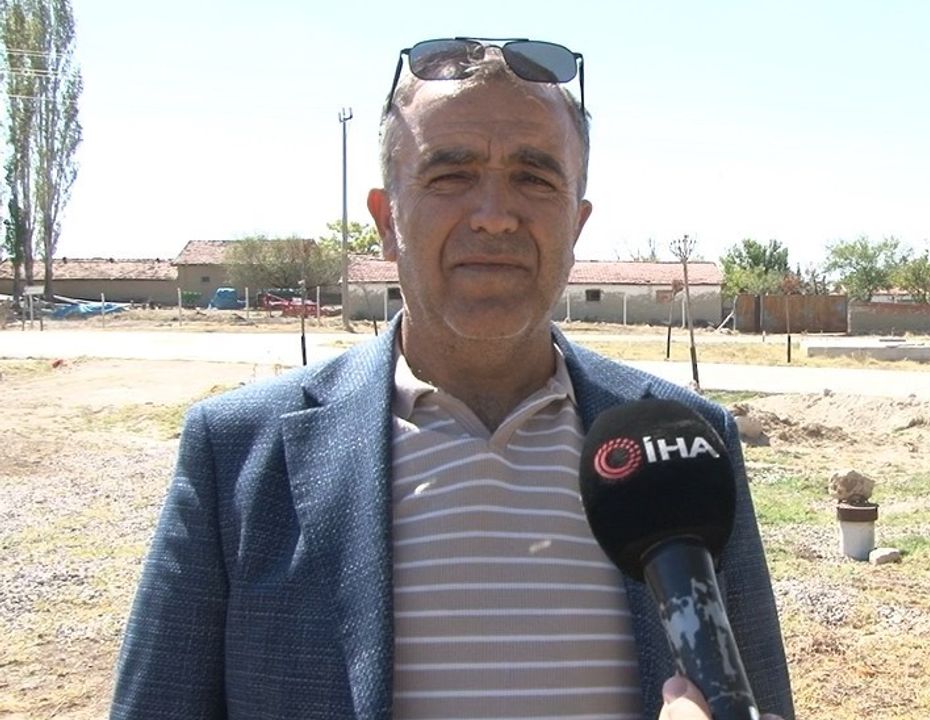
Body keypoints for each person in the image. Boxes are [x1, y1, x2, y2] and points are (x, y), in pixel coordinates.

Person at [111, 38, 792, 720]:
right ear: (386, 222)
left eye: (534, 177)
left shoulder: (686, 449)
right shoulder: (235, 454)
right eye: (450, 175)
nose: (494, 215)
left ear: (577, 223)